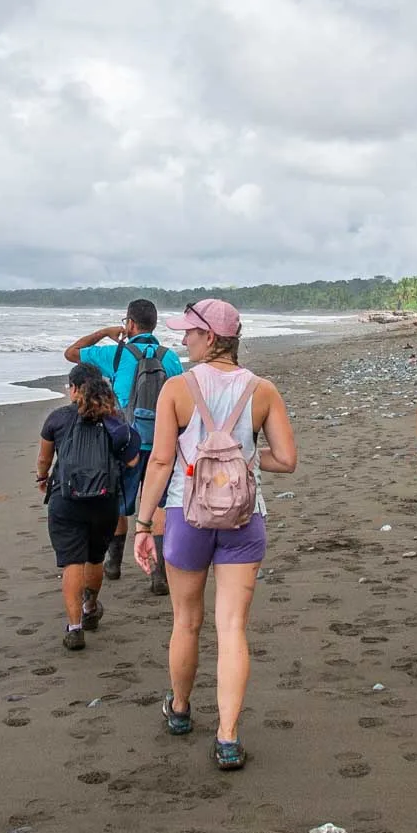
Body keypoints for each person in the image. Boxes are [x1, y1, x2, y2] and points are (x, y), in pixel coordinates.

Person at [133, 299, 297, 770]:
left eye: (190, 333)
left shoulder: (177, 389)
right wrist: (242, 460)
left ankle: (181, 710)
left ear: (211, 337)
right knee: (231, 629)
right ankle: (227, 737)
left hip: (187, 516)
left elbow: (161, 461)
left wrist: (144, 524)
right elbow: (286, 459)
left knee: (186, 621)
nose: (183, 340)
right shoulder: (262, 390)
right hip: (245, 518)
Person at [65, 299, 183, 593]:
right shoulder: (170, 358)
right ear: (153, 324)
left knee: (119, 501)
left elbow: (71, 353)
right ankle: (158, 574)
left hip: (124, 440)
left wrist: (105, 332)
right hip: (161, 442)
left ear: (130, 324)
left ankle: (114, 562)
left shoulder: (116, 354)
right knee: (158, 503)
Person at [36, 363, 141, 651]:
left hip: (66, 500)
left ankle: (74, 627)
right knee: (95, 559)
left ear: (73, 388)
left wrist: (42, 478)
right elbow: (132, 460)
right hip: (105, 502)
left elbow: (44, 460)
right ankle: (90, 607)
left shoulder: (57, 419)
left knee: (72, 562)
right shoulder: (114, 421)